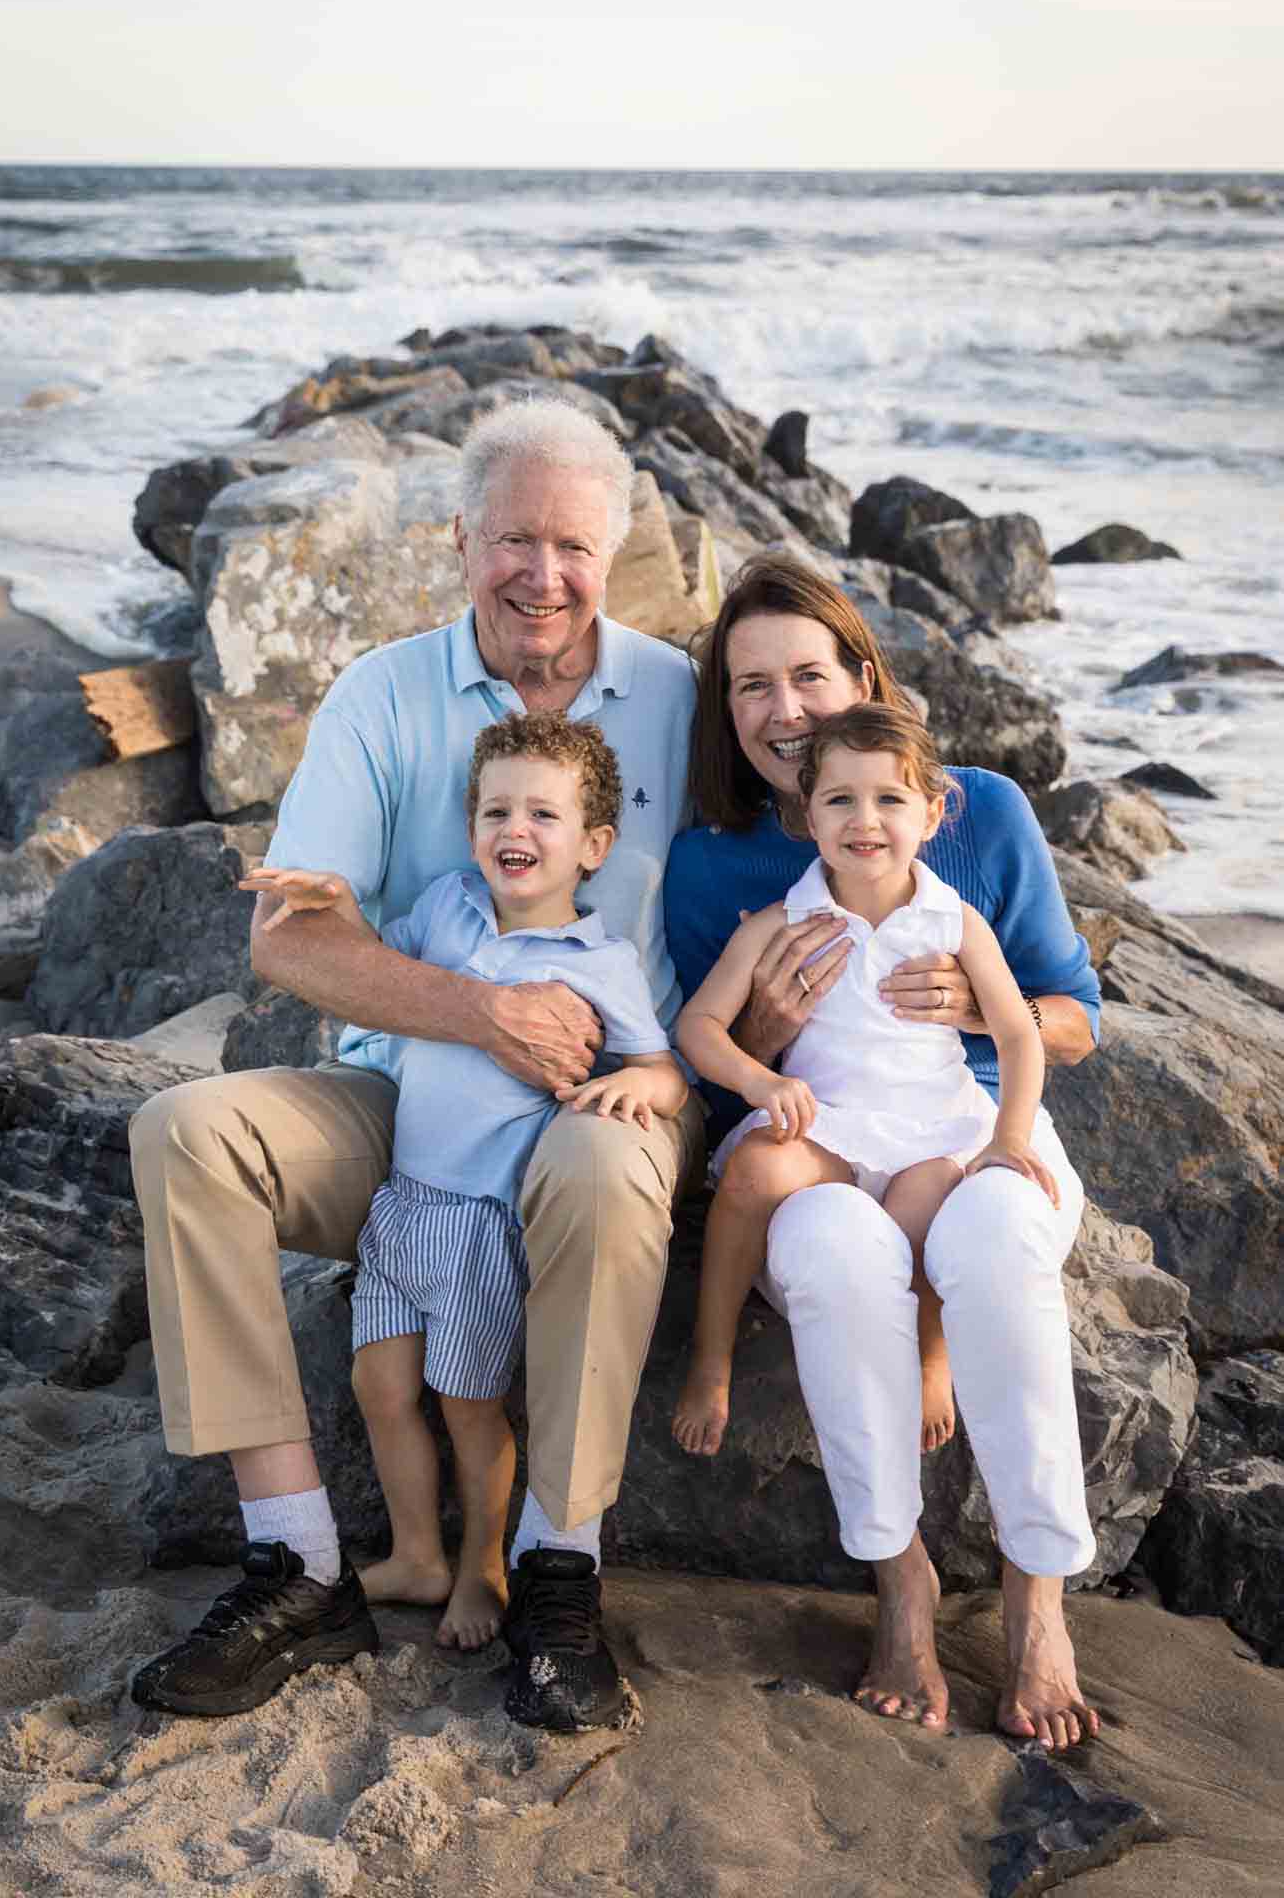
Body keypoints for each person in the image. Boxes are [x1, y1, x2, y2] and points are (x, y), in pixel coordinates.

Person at [128, 398, 704, 1731]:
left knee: (610, 1163)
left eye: (571, 545)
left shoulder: (680, 702)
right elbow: (291, 937)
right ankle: (300, 1561)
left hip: (597, 1107)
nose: (541, 575)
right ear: (460, 541)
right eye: (514, 540)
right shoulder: (385, 695)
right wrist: (479, 1013)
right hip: (414, 1111)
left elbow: (836, 797)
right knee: (184, 1132)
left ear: (612, 552)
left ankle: (560, 1576)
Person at [663, 556, 1102, 1750]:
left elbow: (1068, 1014)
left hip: (957, 1123)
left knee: (995, 1234)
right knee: (837, 1250)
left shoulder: (977, 812)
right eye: (750, 684)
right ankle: (898, 1576)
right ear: (726, 709)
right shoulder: (718, 863)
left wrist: (971, 1008)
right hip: (821, 1135)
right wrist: (762, 1045)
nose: (784, 706)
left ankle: (1034, 1594)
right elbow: (707, 1054)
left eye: (809, 671)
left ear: (864, 673)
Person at [239, 713, 686, 1654]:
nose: (512, 830)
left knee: (468, 1406)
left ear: (593, 845)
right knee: (379, 1387)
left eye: (541, 814)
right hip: (401, 1205)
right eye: (493, 810)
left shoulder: (598, 962)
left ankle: (484, 1561)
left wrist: (626, 1086)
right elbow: (381, 965)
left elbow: (662, 1068)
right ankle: (415, 1555)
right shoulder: (446, 906)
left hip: (484, 1222)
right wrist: (331, 903)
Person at [673, 702, 1061, 1467]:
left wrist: (1007, 1137)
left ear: (931, 812)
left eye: (890, 799)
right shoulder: (781, 922)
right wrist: (757, 1081)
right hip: (831, 1123)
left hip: (932, 1127)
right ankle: (710, 1360)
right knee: (752, 1171)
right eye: (839, 799)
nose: (865, 819)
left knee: (925, 1215)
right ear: (805, 816)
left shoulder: (953, 923)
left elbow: (1018, 1032)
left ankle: (929, 1361)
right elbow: (697, 1028)